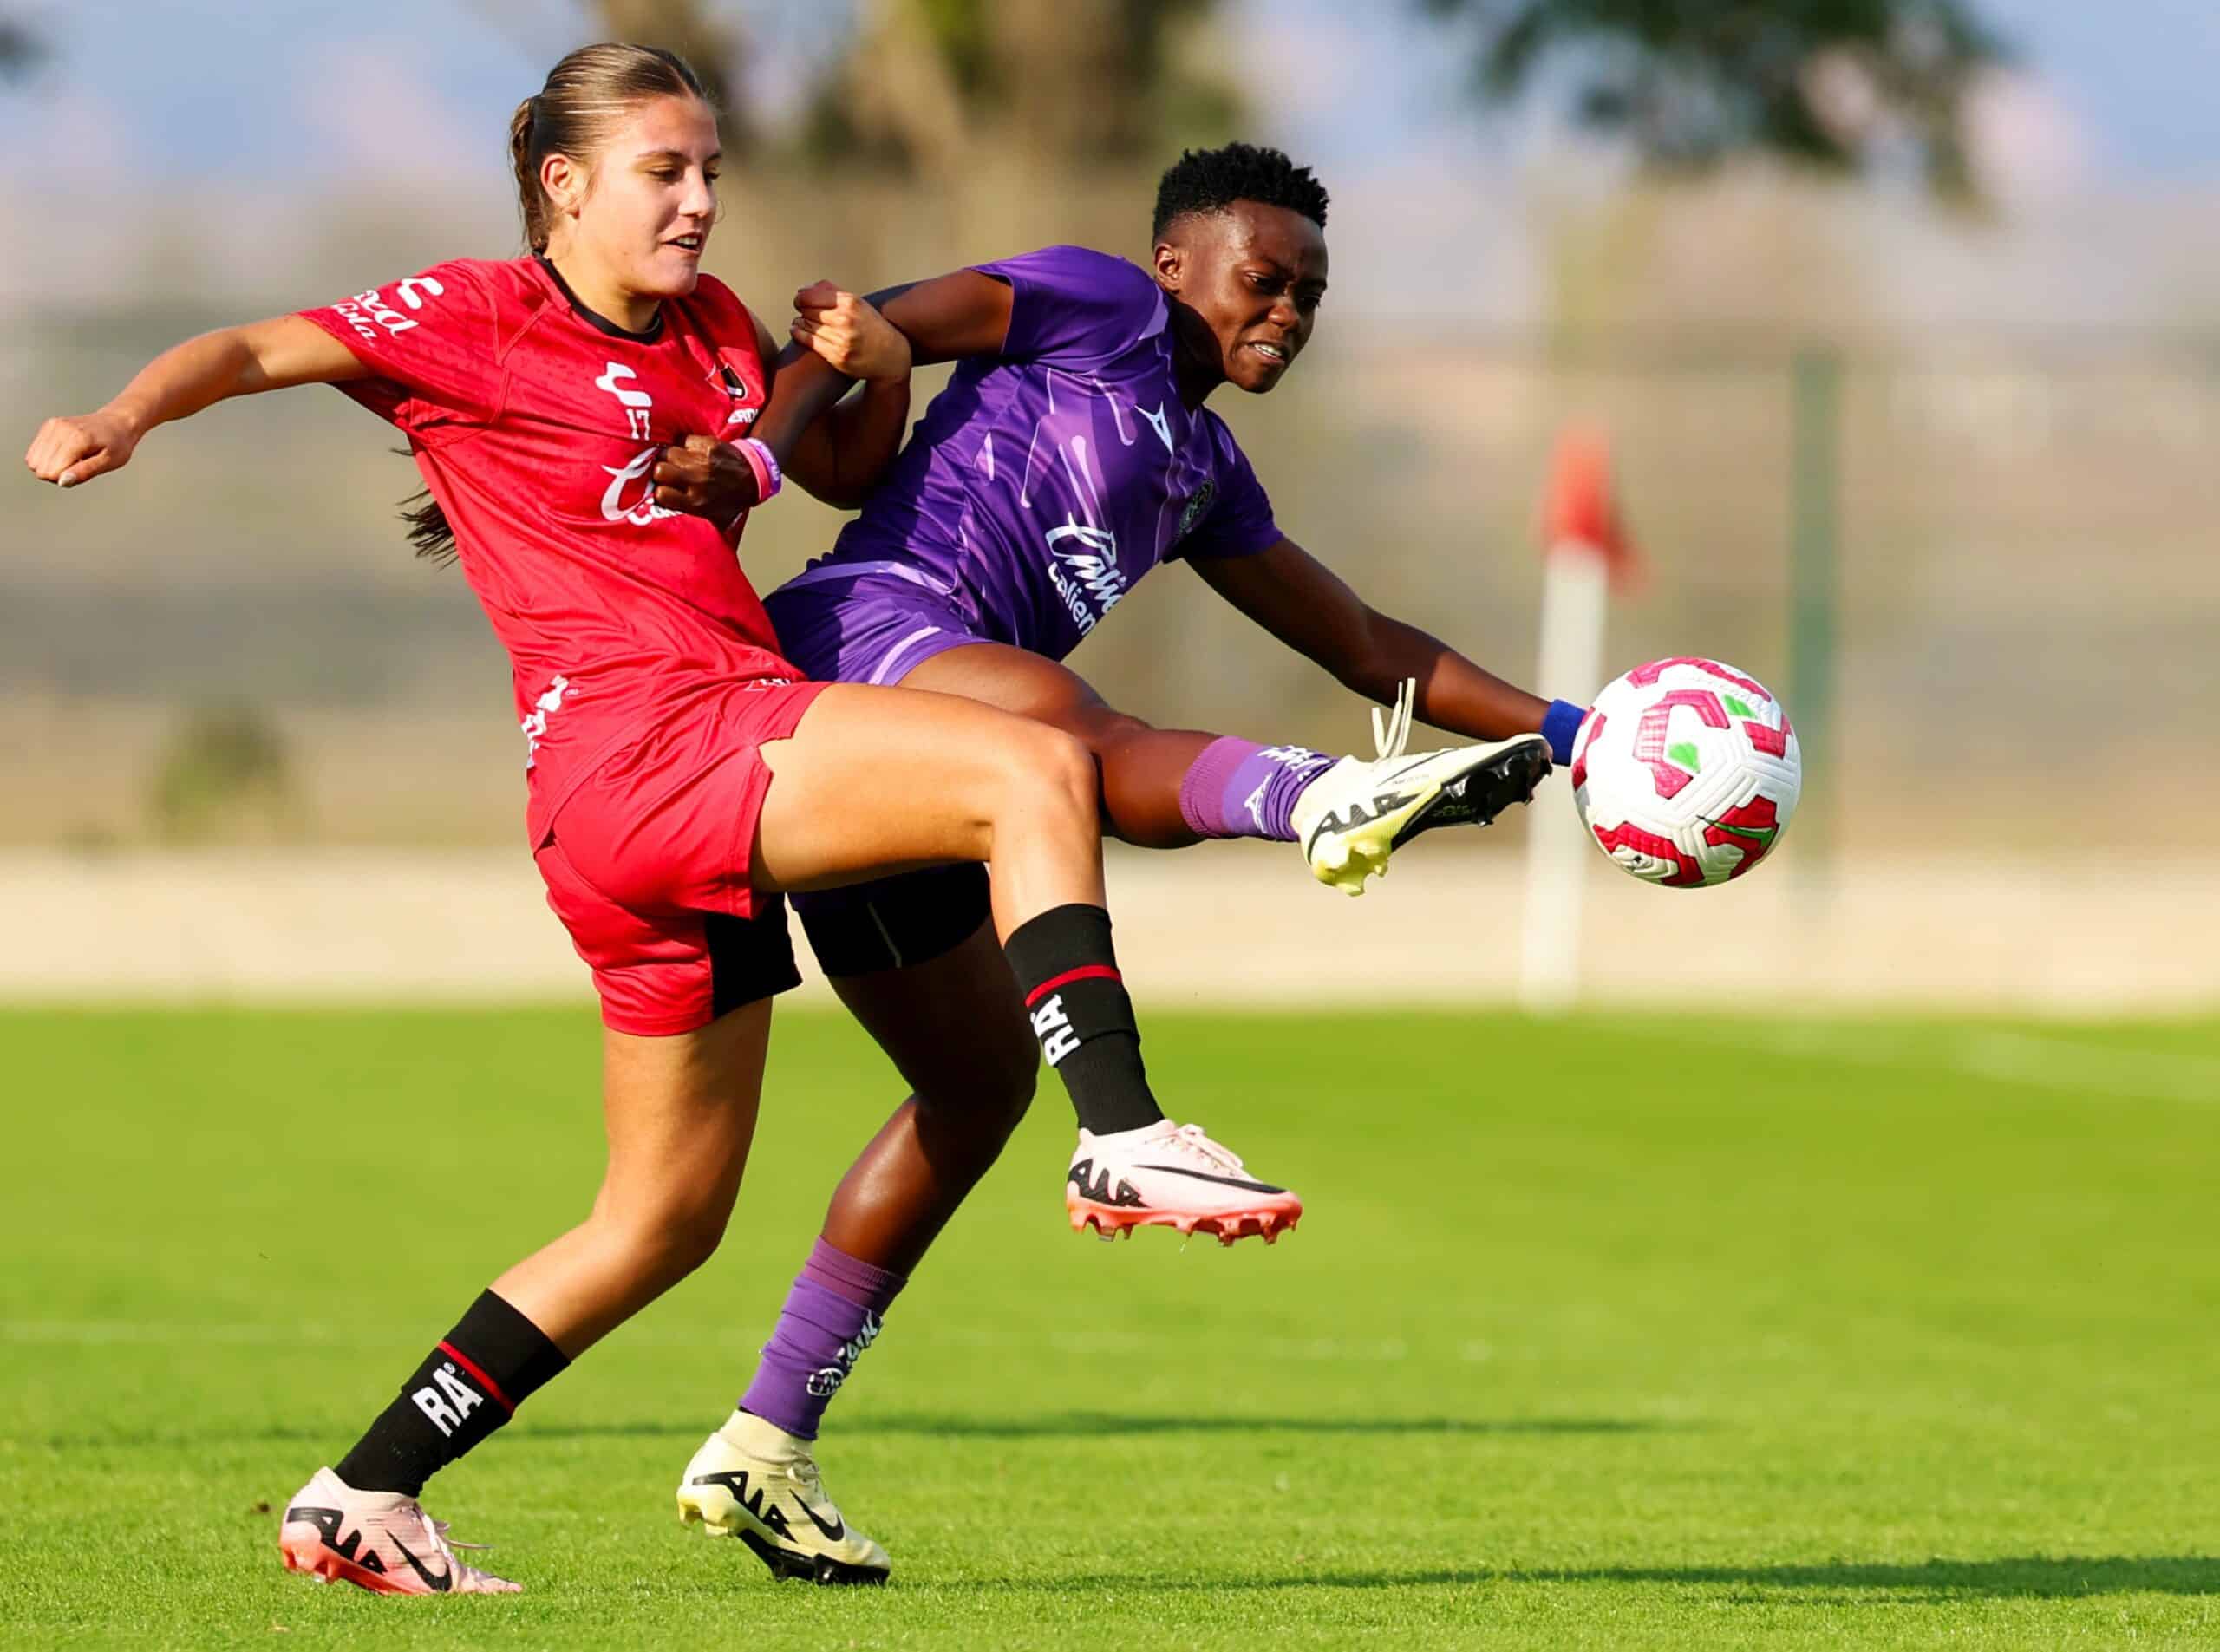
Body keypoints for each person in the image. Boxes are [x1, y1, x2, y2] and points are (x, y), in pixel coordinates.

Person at [20, 43, 1263, 1596]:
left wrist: (866, 359)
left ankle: (365, 1491)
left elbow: (843, 467)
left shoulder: (721, 334)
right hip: (651, 742)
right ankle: (1123, 1133)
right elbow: (260, 347)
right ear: (565, 184)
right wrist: (126, 415)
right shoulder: (477, 312)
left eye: (712, 173)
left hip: (654, 804)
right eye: (665, 172)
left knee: (660, 1220)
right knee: (1030, 770)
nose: (698, 200)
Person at [658, 141, 1592, 1585]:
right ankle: (1296, 836)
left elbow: (1368, 645)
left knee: (976, 1088)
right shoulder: (1093, 305)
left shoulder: (1208, 471)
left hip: (937, 765)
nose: (1284, 310)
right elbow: (859, 326)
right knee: (1067, 737)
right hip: (860, 634)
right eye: (1263, 280)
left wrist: (1571, 728)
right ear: (1176, 265)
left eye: (1310, 295)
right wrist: (769, 453)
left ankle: (766, 1439)